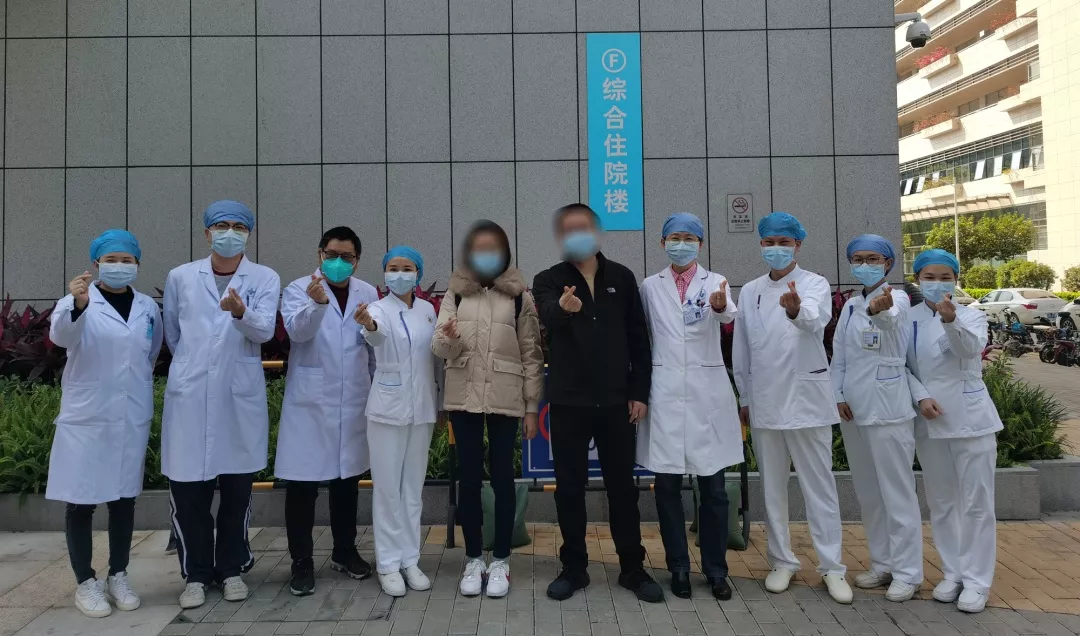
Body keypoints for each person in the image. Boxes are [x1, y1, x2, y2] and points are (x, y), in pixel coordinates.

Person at [532, 203, 662, 603]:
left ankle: (632, 567)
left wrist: (639, 392)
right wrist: (563, 310)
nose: (577, 236)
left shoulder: (621, 277)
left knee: (622, 488)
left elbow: (639, 339)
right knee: (569, 489)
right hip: (569, 403)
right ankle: (574, 567)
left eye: (583, 228)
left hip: (616, 401)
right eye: (568, 230)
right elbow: (547, 315)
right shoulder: (548, 279)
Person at [161, 200, 281, 609]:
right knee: (189, 494)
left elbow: (264, 332)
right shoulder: (181, 276)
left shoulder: (264, 277)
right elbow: (174, 334)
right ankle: (195, 574)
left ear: (249, 233)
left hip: (237, 394)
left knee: (235, 494)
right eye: (221, 225)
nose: (230, 233)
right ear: (206, 233)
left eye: (238, 227)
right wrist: (197, 364)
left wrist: (241, 312)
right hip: (190, 394)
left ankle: (231, 569)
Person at [731, 212, 852, 604]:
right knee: (772, 488)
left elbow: (815, 321)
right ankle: (782, 560)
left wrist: (797, 310)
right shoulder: (750, 291)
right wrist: (744, 397)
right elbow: (742, 348)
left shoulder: (814, 283)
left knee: (820, 487)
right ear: (761, 245)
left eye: (784, 242)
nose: (776, 249)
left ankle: (832, 567)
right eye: (769, 242)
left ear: (798, 245)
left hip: (806, 401)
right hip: (765, 401)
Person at [47, 230, 163, 618]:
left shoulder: (147, 307)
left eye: (127, 260)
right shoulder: (76, 301)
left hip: (130, 415)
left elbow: (149, 353)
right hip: (87, 417)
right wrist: (79, 305)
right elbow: (61, 337)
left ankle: (118, 574)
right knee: (81, 500)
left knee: (123, 498)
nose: (119, 266)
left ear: (137, 264)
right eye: (111, 260)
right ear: (96, 263)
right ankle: (85, 581)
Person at [432, 220, 545, 598]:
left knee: (501, 476)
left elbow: (532, 353)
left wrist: (532, 407)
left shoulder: (519, 296)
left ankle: (500, 561)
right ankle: (472, 558)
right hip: (463, 393)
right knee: (468, 477)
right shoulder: (456, 292)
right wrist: (449, 337)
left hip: (505, 394)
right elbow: (439, 347)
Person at [636, 213, 743, 601]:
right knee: (666, 488)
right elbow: (641, 334)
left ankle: (716, 570)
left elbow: (728, 313)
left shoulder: (716, 282)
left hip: (705, 393)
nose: (681, 244)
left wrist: (720, 307)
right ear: (662, 242)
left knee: (713, 489)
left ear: (701, 243)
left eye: (689, 238)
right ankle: (678, 567)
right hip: (665, 391)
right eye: (674, 237)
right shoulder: (650, 286)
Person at [275, 226, 380, 596]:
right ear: (320, 254)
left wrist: (376, 388)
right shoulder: (298, 289)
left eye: (346, 257)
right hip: (310, 403)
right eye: (331, 254)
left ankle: (344, 551)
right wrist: (317, 305)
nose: (338, 262)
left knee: (346, 481)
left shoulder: (367, 292)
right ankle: (301, 561)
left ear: (357, 260)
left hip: (353, 399)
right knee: (302, 487)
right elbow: (297, 333)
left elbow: (372, 347)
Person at [906, 249, 1001, 614]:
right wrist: (920, 396)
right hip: (930, 418)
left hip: (970, 419)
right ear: (917, 280)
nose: (936, 283)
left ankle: (977, 581)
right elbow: (902, 365)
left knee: (977, 502)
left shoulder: (971, 315)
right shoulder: (908, 318)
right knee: (942, 502)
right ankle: (953, 572)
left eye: (945, 277)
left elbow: (969, 350)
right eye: (928, 277)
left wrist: (950, 320)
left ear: (956, 280)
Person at [832, 235, 923, 602]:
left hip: (888, 408)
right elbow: (839, 354)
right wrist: (837, 395)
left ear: (888, 263)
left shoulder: (898, 298)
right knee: (869, 492)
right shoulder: (850, 305)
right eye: (857, 259)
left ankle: (908, 572)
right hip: (853, 407)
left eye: (872, 259)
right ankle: (883, 563)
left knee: (897, 492)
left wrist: (879, 311)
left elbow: (891, 323)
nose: (864, 265)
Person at [355, 246, 439, 597]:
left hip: (422, 408)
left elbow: (435, 353)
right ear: (384, 272)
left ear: (418, 274)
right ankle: (388, 563)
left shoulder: (427, 310)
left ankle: (409, 558)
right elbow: (376, 336)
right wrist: (368, 325)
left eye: (407, 268)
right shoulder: (377, 309)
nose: (400, 274)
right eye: (393, 267)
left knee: (412, 489)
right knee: (388, 489)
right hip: (387, 410)